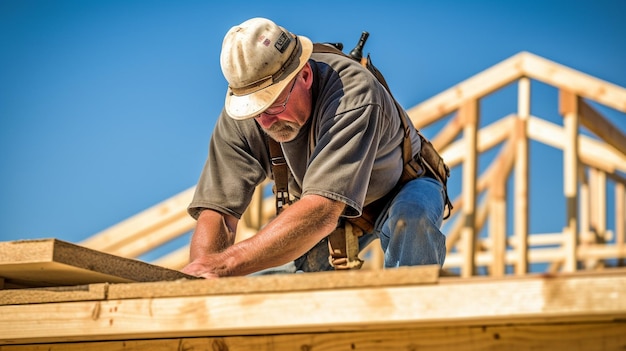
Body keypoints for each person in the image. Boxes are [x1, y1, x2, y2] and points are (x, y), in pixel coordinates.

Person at [182, 17, 448, 279]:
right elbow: (218, 214)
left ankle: (412, 314)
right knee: (267, 283)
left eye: (273, 105)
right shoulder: (243, 116)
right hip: (324, 211)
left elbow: (321, 209)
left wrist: (226, 265)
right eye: (256, 111)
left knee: (413, 221)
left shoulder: (352, 93)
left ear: (305, 76)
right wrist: (201, 277)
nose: (265, 122)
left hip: (397, 189)